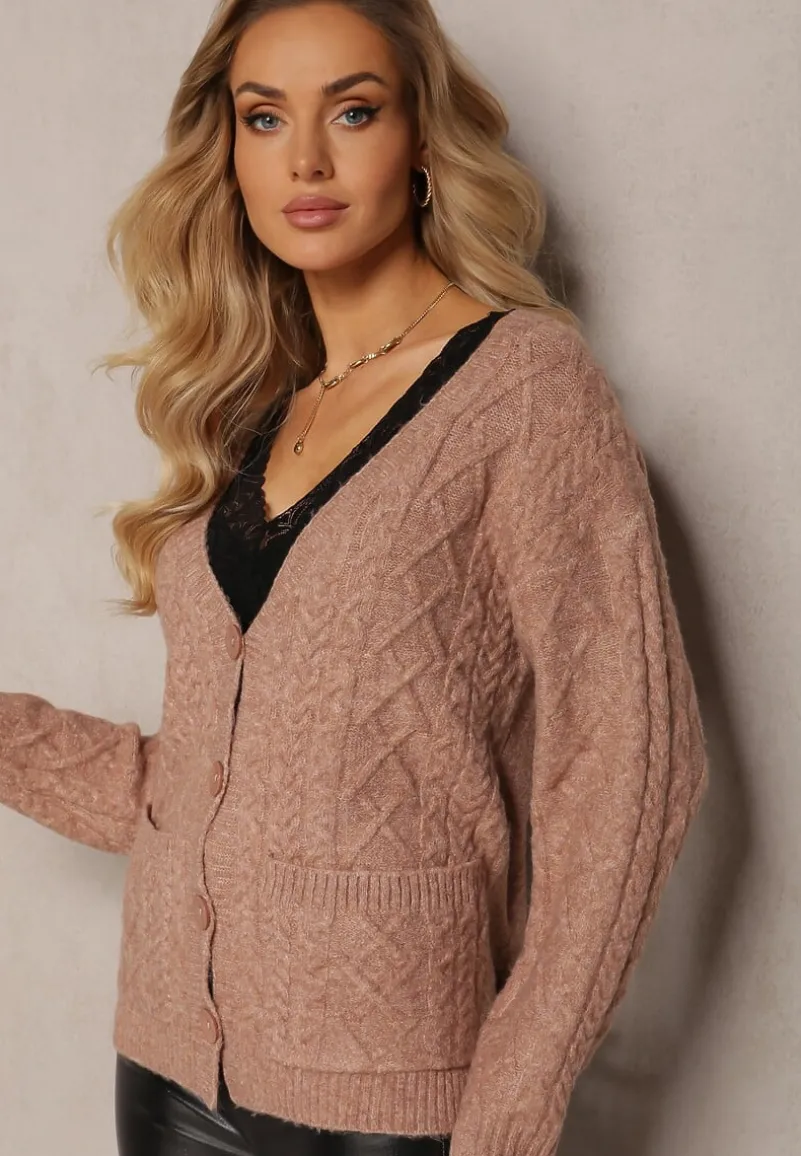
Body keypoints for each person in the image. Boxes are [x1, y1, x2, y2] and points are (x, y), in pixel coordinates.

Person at [0, 1, 710, 1154]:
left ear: (422, 137)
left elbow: (630, 765)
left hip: (390, 1089)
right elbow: (212, 792)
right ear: (229, 151)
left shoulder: (526, 390)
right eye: (265, 117)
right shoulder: (257, 415)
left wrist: (515, 1098)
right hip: (170, 1067)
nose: (307, 161)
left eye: (354, 111)